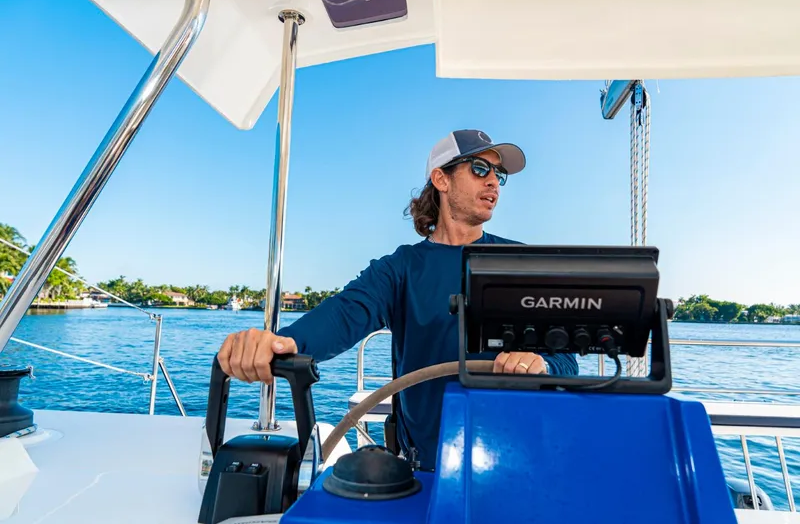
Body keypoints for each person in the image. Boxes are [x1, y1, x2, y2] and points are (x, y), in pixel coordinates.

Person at [216, 129, 579, 471]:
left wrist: (540, 365)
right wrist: (282, 342)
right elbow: (346, 313)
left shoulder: (521, 262)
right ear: (442, 180)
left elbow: (566, 362)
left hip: (517, 461)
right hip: (426, 468)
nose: (493, 182)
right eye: (480, 168)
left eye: (499, 174)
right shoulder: (401, 268)